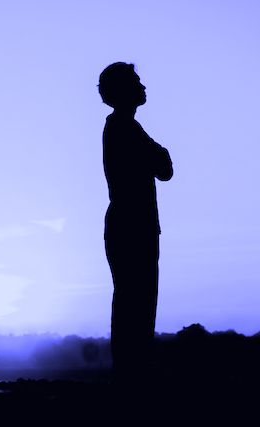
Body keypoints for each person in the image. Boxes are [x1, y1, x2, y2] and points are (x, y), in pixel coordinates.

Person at [98, 63, 173, 382]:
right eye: (136, 82)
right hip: (133, 226)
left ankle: (131, 371)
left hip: (131, 224)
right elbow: (164, 167)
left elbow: (163, 167)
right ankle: (132, 375)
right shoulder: (124, 128)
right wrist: (160, 151)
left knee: (133, 300)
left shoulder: (126, 128)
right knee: (136, 301)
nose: (143, 87)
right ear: (122, 90)